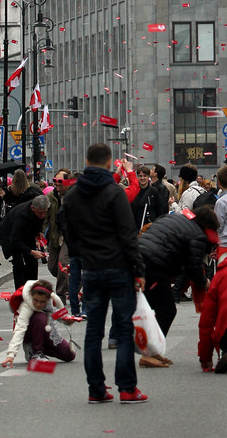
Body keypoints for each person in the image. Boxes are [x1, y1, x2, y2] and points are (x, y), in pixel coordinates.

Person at [61, 142, 147, 404]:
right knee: (123, 330)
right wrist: (138, 268)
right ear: (110, 163)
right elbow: (127, 234)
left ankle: (96, 389)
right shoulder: (114, 192)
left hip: (92, 268)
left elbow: (70, 233)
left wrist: (84, 253)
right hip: (119, 266)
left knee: (93, 331)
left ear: (87, 161)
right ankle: (127, 387)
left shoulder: (73, 195)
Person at [139, 205, 219, 365]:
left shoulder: (174, 217)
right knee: (167, 310)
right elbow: (194, 268)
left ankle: (153, 351)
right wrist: (205, 283)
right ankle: (149, 353)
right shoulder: (197, 234)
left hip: (140, 257)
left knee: (158, 308)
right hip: (153, 264)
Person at [1, 278, 76, 366]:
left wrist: (69, 321)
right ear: (31, 295)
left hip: (47, 330)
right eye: (35, 300)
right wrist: (11, 354)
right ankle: (36, 351)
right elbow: (20, 329)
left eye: (42, 302)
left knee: (69, 355)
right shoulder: (26, 306)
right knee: (40, 317)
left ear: (49, 299)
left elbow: (62, 315)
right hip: (31, 332)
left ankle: (42, 348)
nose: (38, 304)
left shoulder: (54, 299)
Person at [0, 194, 50, 289]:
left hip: (26, 234)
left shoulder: (39, 212)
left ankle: (32, 290)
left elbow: (38, 223)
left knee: (33, 264)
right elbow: (15, 240)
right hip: (10, 234)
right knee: (19, 265)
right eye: (40, 213)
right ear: (32, 208)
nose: (43, 215)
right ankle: (20, 293)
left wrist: (38, 233)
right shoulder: (22, 215)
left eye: (45, 212)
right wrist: (30, 251)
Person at [47, 169, 72, 301]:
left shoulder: (74, 196)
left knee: (62, 264)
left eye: (60, 185)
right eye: (55, 184)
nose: (57, 187)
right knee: (52, 267)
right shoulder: (51, 196)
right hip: (55, 235)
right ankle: (75, 282)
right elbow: (45, 216)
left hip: (69, 237)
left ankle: (60, 295)